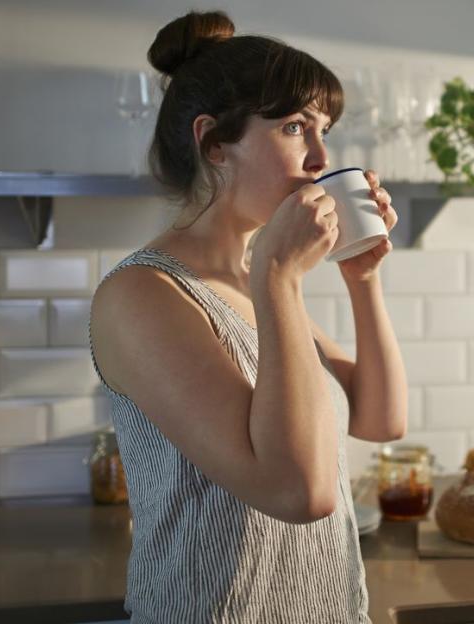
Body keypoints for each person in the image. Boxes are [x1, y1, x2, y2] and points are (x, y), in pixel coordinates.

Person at [88, 10, 407, 623]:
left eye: (325, 130)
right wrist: (280, 277)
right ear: (214, 143)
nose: (320, 157)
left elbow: (380, 419)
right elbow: (301, 492)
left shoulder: (253, 284)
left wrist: (361, 278)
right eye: (293, 126)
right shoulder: (142, 294)